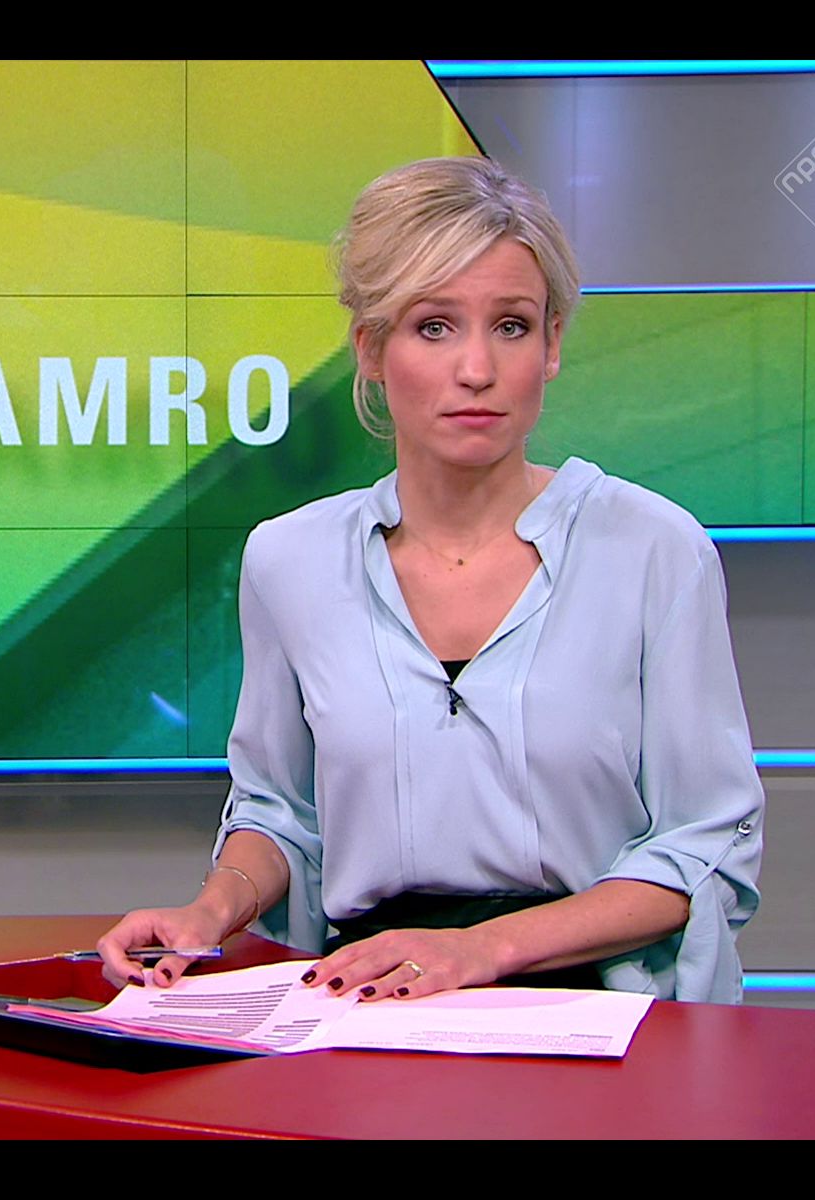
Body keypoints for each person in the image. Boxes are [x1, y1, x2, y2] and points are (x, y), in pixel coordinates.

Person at [97, 157, 764, 1005]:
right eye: (435, 326)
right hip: (364, 998)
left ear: (553, 344)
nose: (477, 368)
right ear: (372, 350)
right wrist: (209, 911)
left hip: (591, 1001)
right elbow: (280, 813)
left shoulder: (654, 548)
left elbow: (708, 844)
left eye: (512, 326)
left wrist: (480, 951)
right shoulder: (288, 559)